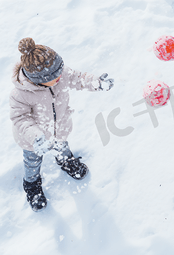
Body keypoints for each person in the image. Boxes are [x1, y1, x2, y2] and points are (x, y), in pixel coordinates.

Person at [9, 37, 114, 211]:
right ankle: (32, 184)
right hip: (34, 140)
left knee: (62, 146)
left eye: (60, 71)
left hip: (60, 128)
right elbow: (20, 118)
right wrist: (35, 137)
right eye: (55, 76)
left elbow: (78, 78)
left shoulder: (59, 74)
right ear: (39, 80)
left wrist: (96, 82)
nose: (61, 76)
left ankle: (65, 160)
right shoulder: (21, 94)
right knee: (32, 162)